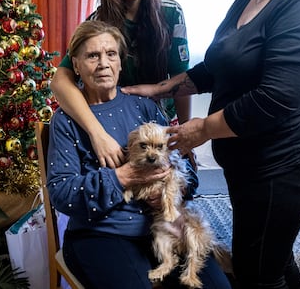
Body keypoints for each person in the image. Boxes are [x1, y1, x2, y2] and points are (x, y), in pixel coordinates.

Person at [122, 0, 300, 289]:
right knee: (272, 256)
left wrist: (199, 130)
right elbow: (218, 65)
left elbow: (275, 100)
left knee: (256, 271)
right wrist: (161, 87)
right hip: (248, 165)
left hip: (282, 168)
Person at [46, 20, 232, 289]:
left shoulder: (144, 107)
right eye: (92, 56)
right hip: (100, 235)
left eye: (111, 54)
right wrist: (122, 177)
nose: (103, 63)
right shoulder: (65, 121)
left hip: (163, 228)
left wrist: (171, 189)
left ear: (121, 62)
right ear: (75, 65)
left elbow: (189, 174)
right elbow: (62, 194)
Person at [50, 0, 191, 169]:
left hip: (160, 121)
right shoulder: (97, 20)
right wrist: (97, 134)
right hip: (116, 121)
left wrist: (185, 138)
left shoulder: (171, 12)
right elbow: (60, 82)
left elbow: (182, 79)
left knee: (175, 185)